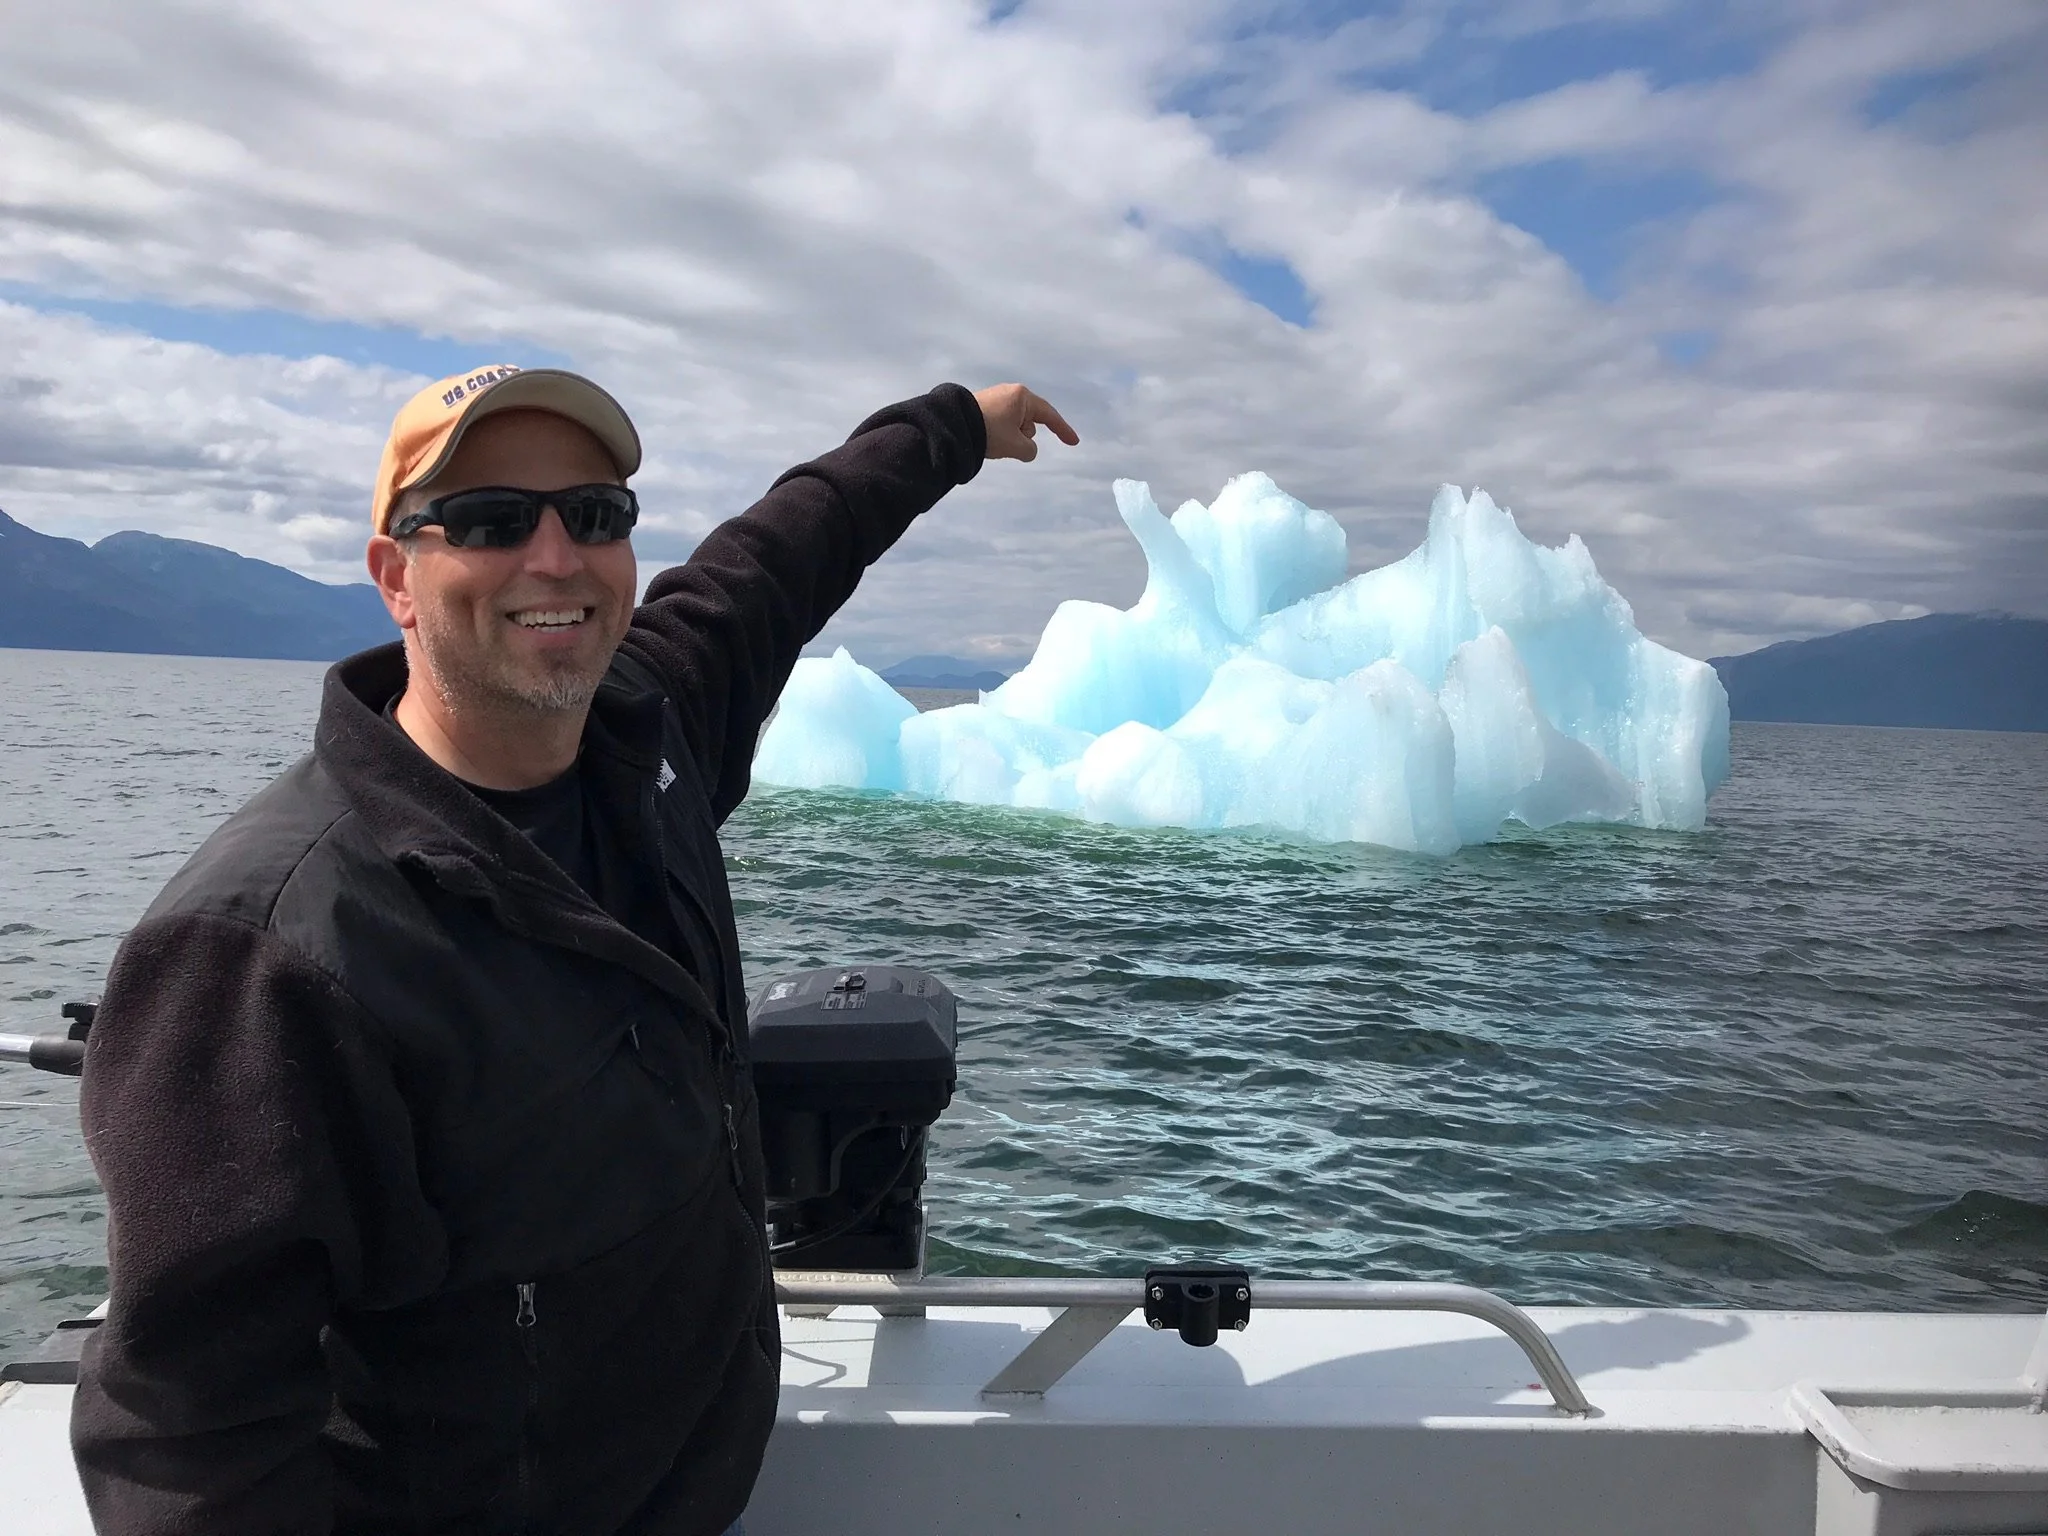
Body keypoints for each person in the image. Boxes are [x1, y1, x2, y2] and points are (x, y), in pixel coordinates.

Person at [69, 365, 1078, 1534]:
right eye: (493, 521)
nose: (556, 558)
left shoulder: (646, 739)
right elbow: (190, 1442)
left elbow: (787, 549)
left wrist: (952, 427)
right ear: (397, 576)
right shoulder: (270, 951)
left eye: (593, 515)